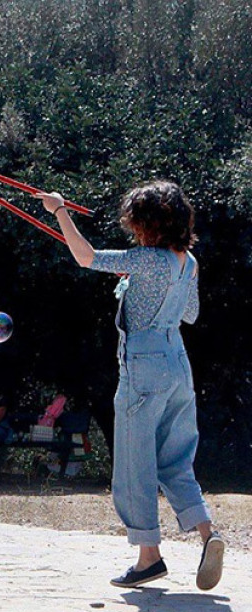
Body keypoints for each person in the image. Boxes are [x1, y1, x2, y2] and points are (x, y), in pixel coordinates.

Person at [37, 181, 222, 590]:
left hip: (144, 364)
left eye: (136, 223)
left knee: (135, 463)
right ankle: (208, 533)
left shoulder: (147, 259)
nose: (133, 230)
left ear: (149, 224)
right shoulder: (187, 261)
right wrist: (145, 281)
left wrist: (59, 210)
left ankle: (148, 557)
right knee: (175, 459)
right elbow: (188, 315)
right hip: (178, 362)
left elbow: (86, 258)